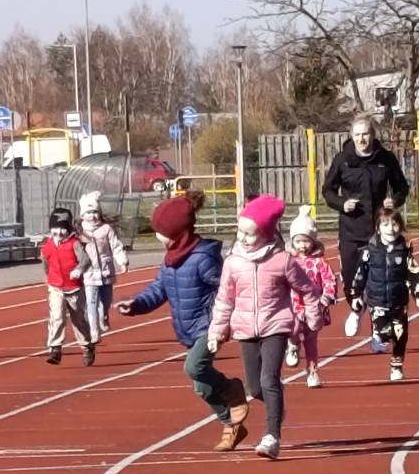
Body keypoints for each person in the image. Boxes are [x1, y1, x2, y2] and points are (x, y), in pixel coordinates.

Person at [116, 191, 250, 452]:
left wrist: (226, 318)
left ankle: (233, 389)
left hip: (208, 326)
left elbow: (226, 286)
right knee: (201, 387)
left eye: (160, 231)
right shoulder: (170, 261)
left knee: (194, 367)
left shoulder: (203, 258)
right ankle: (231, 424)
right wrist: (136, 304)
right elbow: (158, 290)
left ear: (177, 233)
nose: (157, 236)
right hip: (188, 329)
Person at [208, 194, 322, 460]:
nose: (244, 238)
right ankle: (275, 406)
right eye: (241, 232)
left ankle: (272, 436)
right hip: (245, 329)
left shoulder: (282, 261)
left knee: (269, 379)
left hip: (276, 325)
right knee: (255, 388)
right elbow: (225, 300)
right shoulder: (233, 262)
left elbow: (307, 290)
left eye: (250, 234)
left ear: (265, 233)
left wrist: (313, 318)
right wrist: (216, 331)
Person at [322, 114, 409, 339]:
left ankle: (379, 328)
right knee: (352, 279)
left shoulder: (386, 159)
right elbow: (328, 192)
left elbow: (402, 188)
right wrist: (343, 203)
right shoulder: (343, 159)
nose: (362, 139)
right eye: (357, 135)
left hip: (379, 229)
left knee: (379, 279)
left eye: (366, 134)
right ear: (352, 136)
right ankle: (356, 308)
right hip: (351, 229)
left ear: (373, 135)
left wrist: (394, 201)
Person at [350, 208, 419, 381]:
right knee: (384, 333)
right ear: (378, 228)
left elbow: (414, 273)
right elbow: (360, 274)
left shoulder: (405, 251)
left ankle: (396, 365)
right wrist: (355, 296)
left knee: (401, 336)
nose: (390, 229)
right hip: (377, 301)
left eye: (394, 224)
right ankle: (378, 335)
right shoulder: (370, 251)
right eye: (385, 224)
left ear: (400, 227)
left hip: (399, 301)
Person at [284, 204, 337, 387]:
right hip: (293, 305)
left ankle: (313, 372)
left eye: (306, 241)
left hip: (314, 307)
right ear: (292, 242)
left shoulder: (319, 263)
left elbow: (330, 280)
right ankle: (292, 345)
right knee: (292, 329)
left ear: (313, 241)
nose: (302, 246)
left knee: (311, 342)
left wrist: (326, 297)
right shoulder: (289, 262)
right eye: (298, 241)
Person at [41, 207, 94, 366]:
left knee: (78, 319)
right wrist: (48, 278)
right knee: (57, 316)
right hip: (56, 287)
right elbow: (45, 264)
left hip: (74, 289)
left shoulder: (74, 243)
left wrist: (78, 270)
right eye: (56, 227)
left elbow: (85, 260)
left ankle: (86, 346)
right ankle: (55, 348)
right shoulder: (47, 246)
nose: (59, 231)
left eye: (63, 227)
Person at [78, 191, 128, 344]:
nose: (92, 216)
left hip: (106, 271)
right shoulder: (79, 232)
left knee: (106, 301)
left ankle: (104, 316)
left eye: (95, 212)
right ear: (82, 215)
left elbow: (116, 246)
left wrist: (122, 261)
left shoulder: (106, 229)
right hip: (89, 274)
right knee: (91, 303)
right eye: (89, 213)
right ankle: (94, 331)